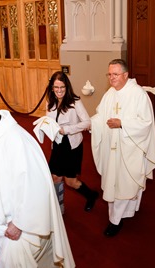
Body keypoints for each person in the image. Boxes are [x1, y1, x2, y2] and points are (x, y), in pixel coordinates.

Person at [0, 92, 75, 267]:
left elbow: (36, 187)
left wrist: (19, 223)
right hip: (3, 225)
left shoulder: (16, 142)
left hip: (22, 228)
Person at [90, 59, 155, 237]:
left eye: (115, 74)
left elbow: (146, 123)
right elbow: (101, 115)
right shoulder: (110, 93)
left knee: (126, 181)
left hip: (130, 148)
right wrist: (91, 123)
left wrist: (123, 124)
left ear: (126, 75)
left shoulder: (138, 94)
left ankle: (116, 220)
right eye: (109, 74)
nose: (111, 78)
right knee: (115, 182)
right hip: (112, 147)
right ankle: (117, 216)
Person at [46, 71, 98, 214]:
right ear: (52, 88)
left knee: (70, 181)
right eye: (56, 88)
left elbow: (88, 122)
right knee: (55, 177)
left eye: (62, 87)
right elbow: (49, 120)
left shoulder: (75, 101)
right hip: (57, 144)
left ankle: (91, 195)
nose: (59, 91)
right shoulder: (50, 102)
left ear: (67, 87)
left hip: (72, 146)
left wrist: (67, 129)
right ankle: (59, 207)